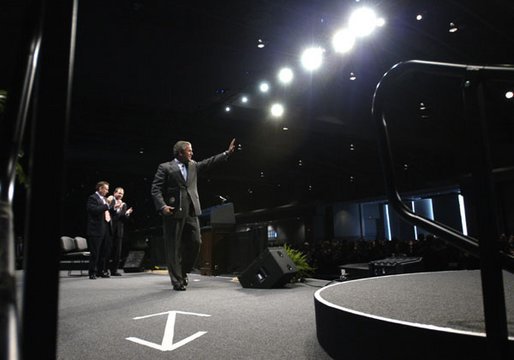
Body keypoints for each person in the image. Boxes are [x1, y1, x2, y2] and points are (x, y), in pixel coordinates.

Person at [151, 138, 236, 290]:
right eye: (189, 150)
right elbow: (155, 189)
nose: (192, 153)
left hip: (191, 211)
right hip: (173, 212)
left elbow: (209, 162)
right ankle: (177, 280)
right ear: (180, 152)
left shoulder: (193, 165)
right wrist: (162, 206)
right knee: (173, 248)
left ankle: (183, 272)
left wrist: (226, 153)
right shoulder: (165, 167)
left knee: (196, 242)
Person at [86, 181, 115, 279]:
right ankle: (92, 272)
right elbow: (94, 210)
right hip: (96, 229)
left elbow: (107, 212)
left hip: (106, 228)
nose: (107, 191)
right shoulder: (93, 198)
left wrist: (113, 208)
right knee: (95, 252)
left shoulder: (105, 199)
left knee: (104, 252)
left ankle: (100, 271)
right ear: (100, 189)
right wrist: (107, 205)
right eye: (106, 189)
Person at [107, 187, 133, 276]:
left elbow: (123, 219)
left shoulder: (124, 204)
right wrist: (115, 208)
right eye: (119, 193)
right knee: (108, 250)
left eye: (122, 194)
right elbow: (107, 211)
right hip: (109, 228)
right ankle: (104, 269)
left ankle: (114, 270)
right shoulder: (110, 200)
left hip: (119, 230)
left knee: (117, 251)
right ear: (114, 193)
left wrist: (127, 214)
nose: (120, 195)